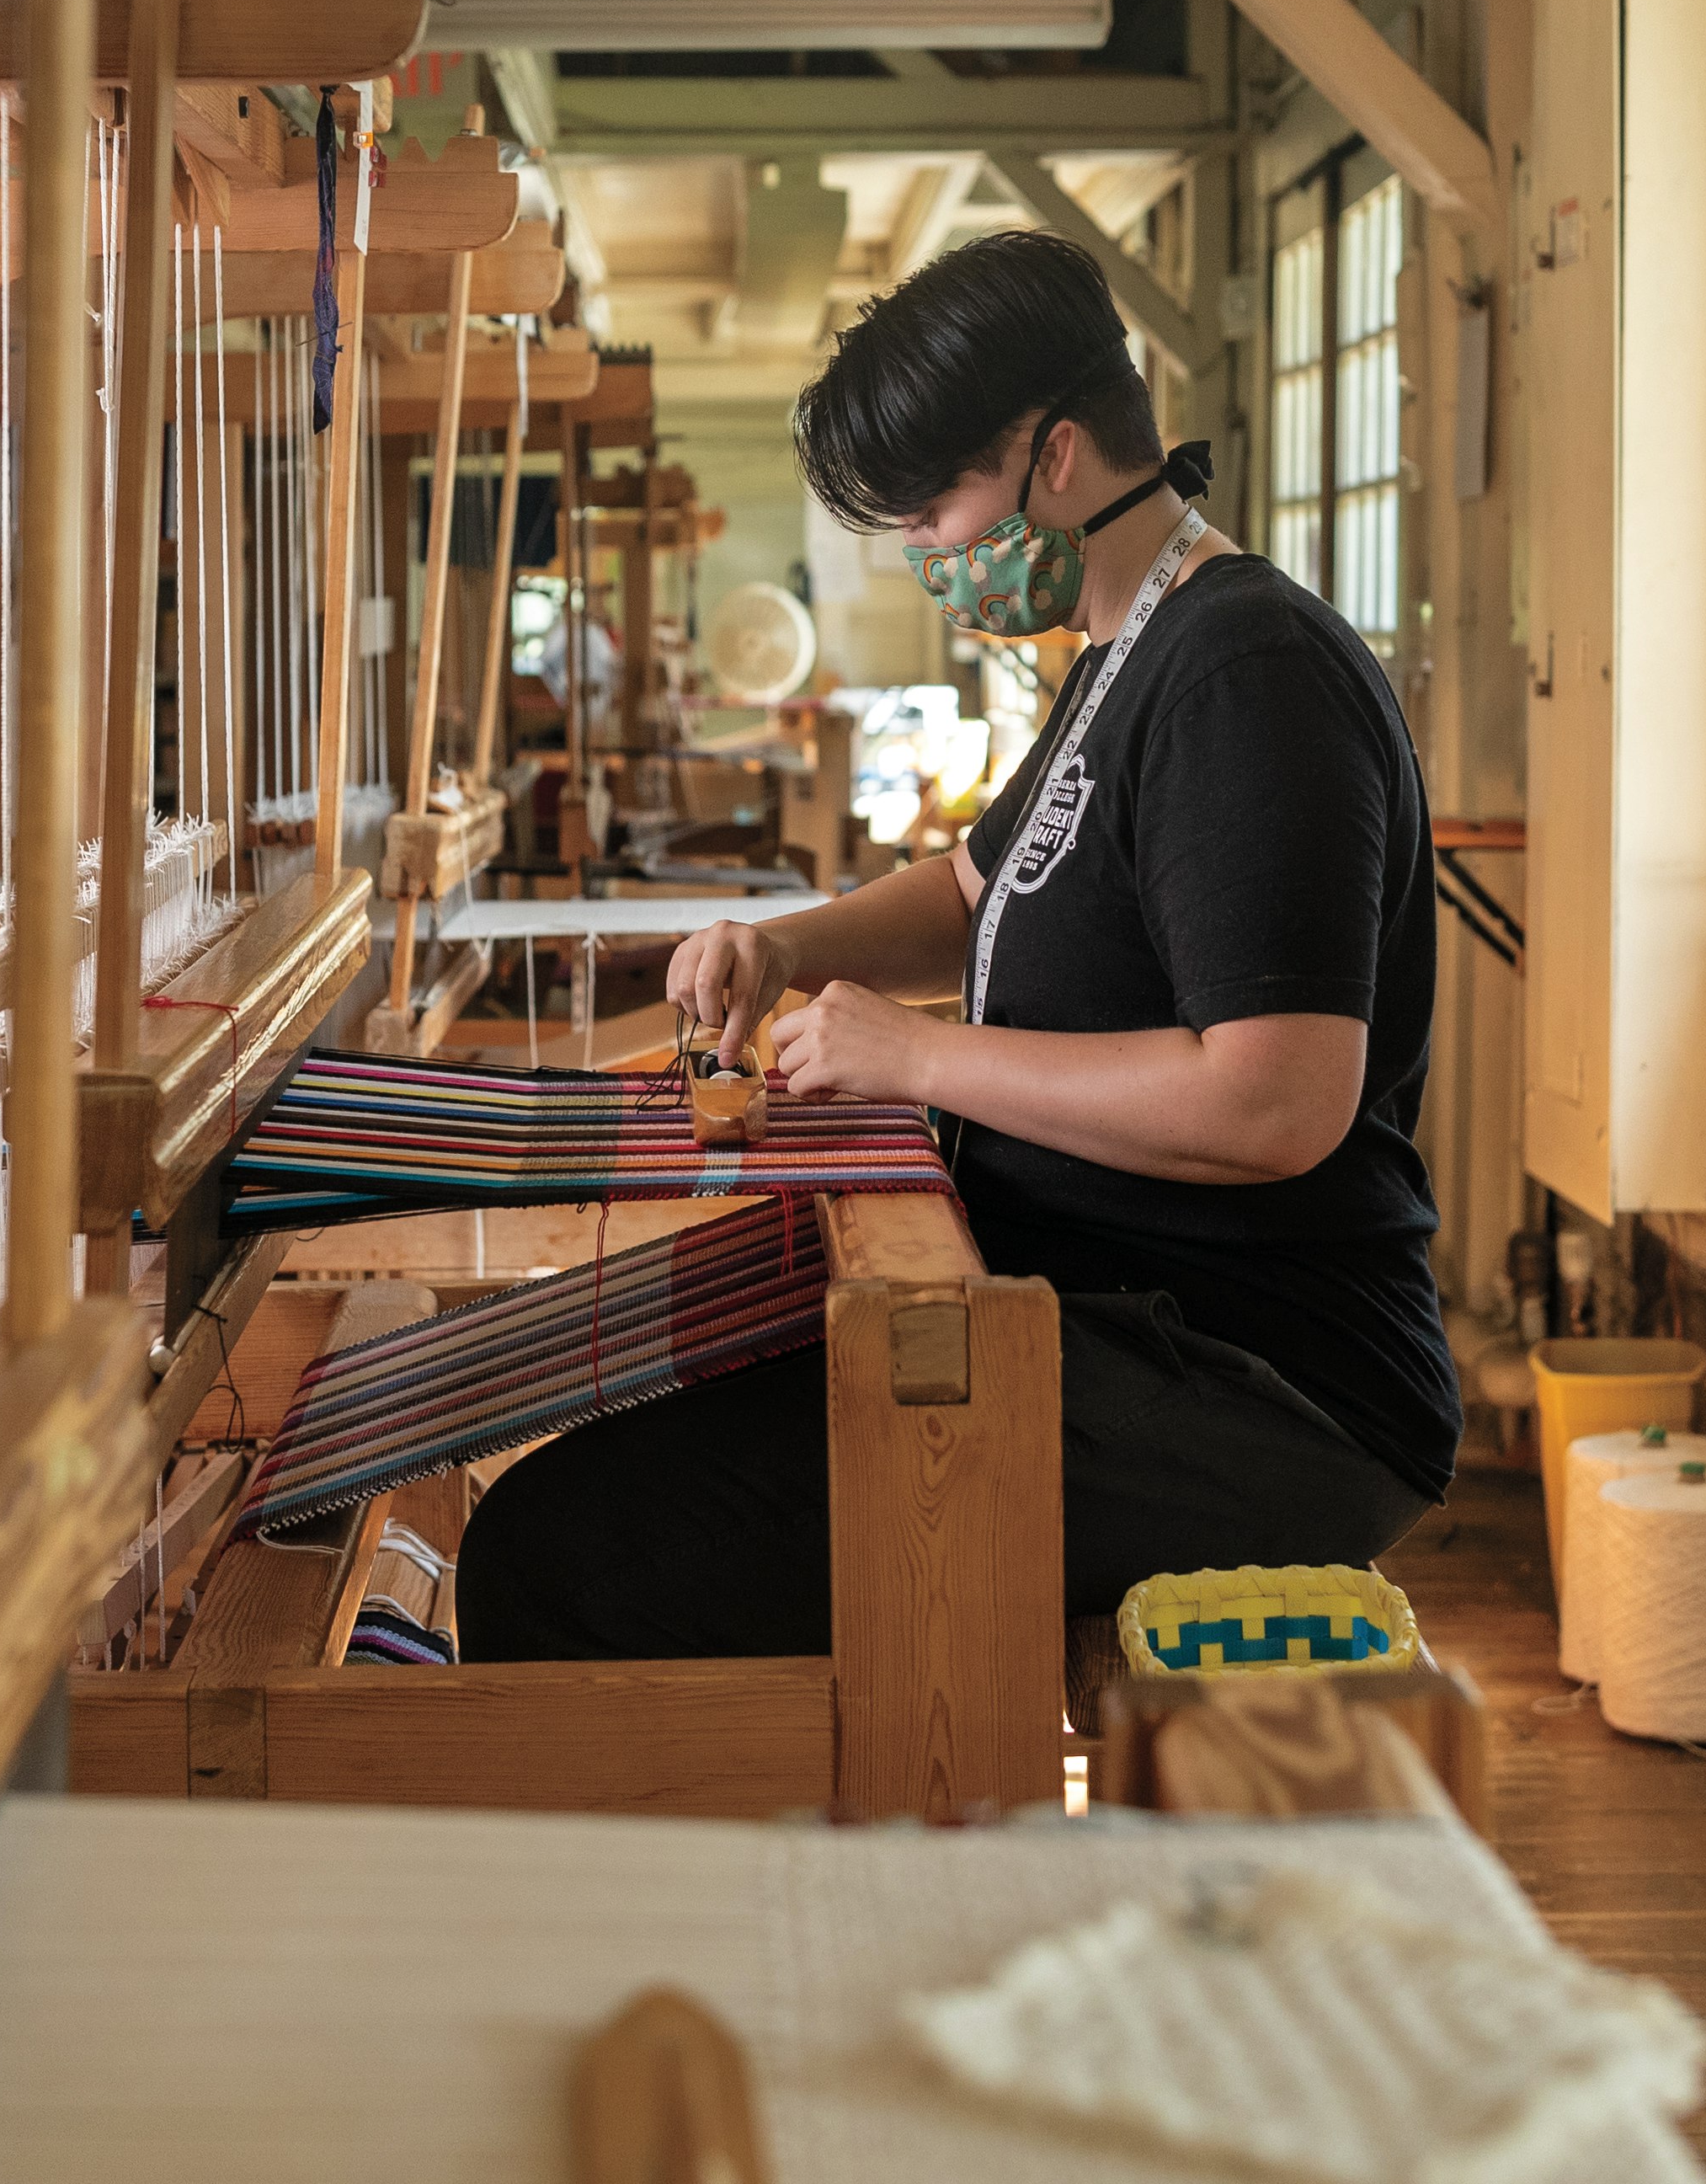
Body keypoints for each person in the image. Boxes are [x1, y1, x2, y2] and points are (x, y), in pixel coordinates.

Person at [456, 231, 1458, 1661]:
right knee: (628, 1464)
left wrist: (918, 1052)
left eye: (934, 507)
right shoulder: (1124, 654)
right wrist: (788, 948)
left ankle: (805, 1869)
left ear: (1056, 458)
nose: (928, 551)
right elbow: (976, 885)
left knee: (563, 1553)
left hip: (1259, 1386)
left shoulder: (1243, 673)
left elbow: (1276, 1101)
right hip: (1095, 1317)